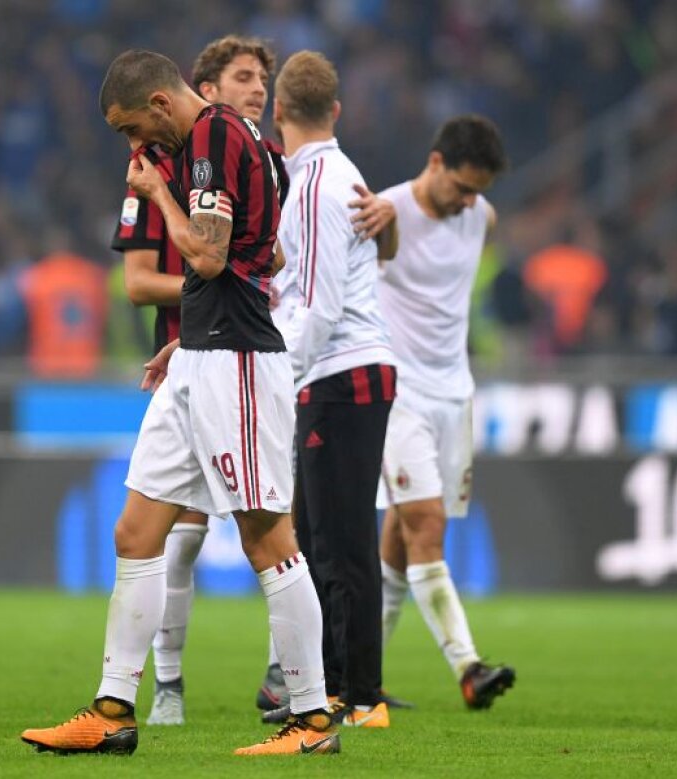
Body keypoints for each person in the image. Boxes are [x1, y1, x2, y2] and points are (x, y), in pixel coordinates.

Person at [21, 49, 336, 757]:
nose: (135, 147)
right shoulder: (245, 140)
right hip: (201, 353)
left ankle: (313, 721)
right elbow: (272, 257)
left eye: (134, 128)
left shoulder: (209, 141)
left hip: (239, 363)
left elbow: (210, 257)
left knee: (265, 534)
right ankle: (111, 708)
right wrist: (189, 337)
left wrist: (159, 194)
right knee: (136, 529)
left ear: (162, 104)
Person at [269, 49, 399, 729]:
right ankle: (327, 689)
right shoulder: (328, 178)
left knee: (342, 540)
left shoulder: (319, 184)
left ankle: (364, 695)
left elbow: (316, 306)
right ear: (338, 110)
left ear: (278, 111)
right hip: (342, 372)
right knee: (320, 536)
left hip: (341, 372)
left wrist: (274, 374)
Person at [375, 115, 516, 709]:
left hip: (454, 395)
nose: (467, 200)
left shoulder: (480, 217)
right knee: (426, 524)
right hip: (399, 393)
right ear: (435, 163)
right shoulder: (383, 213)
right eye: (460, 186)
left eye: (477, 191)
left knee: (403, 539)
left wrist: (472, 201)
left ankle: (357, 675)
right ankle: (468, 666)